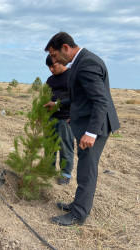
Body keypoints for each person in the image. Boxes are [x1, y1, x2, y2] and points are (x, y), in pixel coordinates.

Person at [44, 32, 120, 226]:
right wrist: (59, 103)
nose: (54, 60)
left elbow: (100, 100)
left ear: (65, 48)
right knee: (85, 167)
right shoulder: (81, 62)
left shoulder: (87, 64)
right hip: (89, 124)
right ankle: (78, 205)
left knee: (87, 170)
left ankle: (78, 215)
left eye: (54, 55)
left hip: (95, 127)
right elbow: (81, 97)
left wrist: (91, 132)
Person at [44, 55, 74, 185]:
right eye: (49, 67)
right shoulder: (50, 80)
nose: (51, 69)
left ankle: (65, 174)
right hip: (50, 118)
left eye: (53, 66)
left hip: (65, 118)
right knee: (49, 146)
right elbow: (45, 96)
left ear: (61, 62)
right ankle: (49, 170)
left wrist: (74, 114)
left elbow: (78, 98)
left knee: (65, 147)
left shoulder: (72, 76)